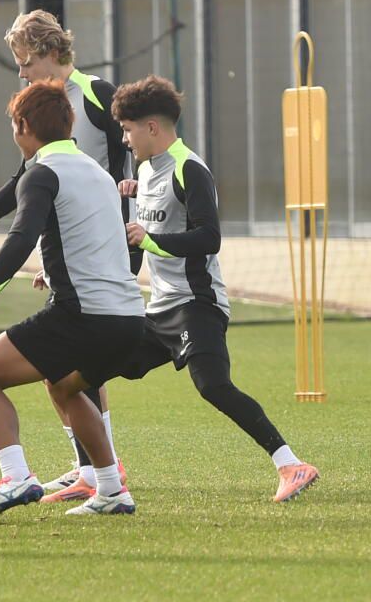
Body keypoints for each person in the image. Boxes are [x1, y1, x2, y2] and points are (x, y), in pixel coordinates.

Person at [108, 75, 320, 503]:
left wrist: (147, 239)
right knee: (99, 367)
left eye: (128, 130)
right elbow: (144, 233)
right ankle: (98, 475)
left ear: (152, 127)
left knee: (213, 386)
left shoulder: (191, 170)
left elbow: (209, 238)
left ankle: (291, 464)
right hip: (160, 308)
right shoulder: (144, 168)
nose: (124, 140)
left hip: (197, 305)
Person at [0, 9, 133, 503]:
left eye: (25, 61)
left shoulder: (94, 95)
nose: (22, 72)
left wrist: (131, 220)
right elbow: (25, 182)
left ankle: (74, 474)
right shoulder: (48, 127)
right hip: (81, 253)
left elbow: (132, 150)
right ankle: (98, 476)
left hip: (99, 249)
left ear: (52, 52)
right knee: (67, 377)